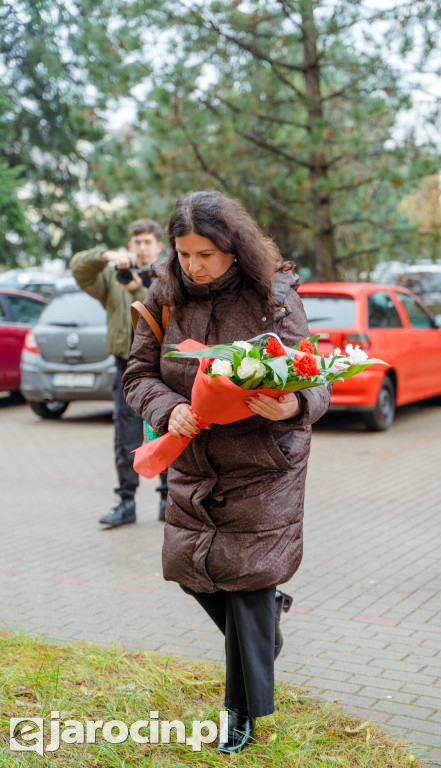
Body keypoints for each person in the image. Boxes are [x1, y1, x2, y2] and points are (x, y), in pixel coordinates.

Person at [122, 191, 330, 753]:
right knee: (190, 570)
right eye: (184, 253)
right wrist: (170, 409)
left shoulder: (273, 293)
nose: (193, 266)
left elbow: (313, 373)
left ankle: (240, 714)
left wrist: (292, 405)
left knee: (245, 589)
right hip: (193, 458)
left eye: (206, 254)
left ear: (234, 249)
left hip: (264, 462)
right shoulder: (165, 294)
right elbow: (138, 374)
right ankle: (269, 619)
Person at [70, 219, 168, 528]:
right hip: (125, 368)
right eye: (136, 242)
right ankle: (126, 502)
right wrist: (105, 257)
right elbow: (77, 268)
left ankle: (169, 499)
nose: (141, 247)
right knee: (124, 436)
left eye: (147, 242)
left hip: (161, 369)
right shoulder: (113, 281)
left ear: (158, 246)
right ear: (130, 246)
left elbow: (165, 310)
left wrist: (137, 287)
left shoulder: (166, 277)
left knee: (167, 431)